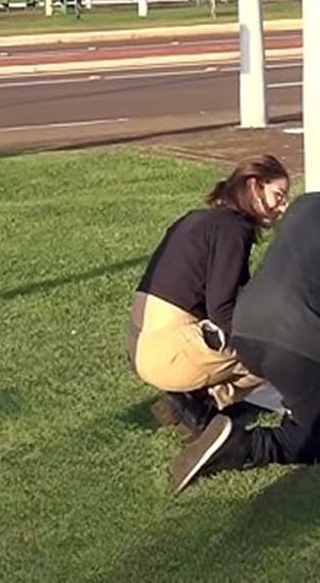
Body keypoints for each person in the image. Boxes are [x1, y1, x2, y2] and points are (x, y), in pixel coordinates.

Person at [169, 169, 320, 494]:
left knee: (306, 388)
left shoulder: (307, 204)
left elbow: (318, 271)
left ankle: (192, 403)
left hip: (245, 330)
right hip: (299, 346)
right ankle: (241, 446)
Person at [129, 155, 290, 441]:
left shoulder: (198, 220)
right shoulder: (233, 230)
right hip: (169, 353)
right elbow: (222, 310)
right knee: (280, 349)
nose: (282, 207)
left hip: (140, 344)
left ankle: (190, 398)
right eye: (278, 195)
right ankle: (203, 406)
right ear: (253, 187)